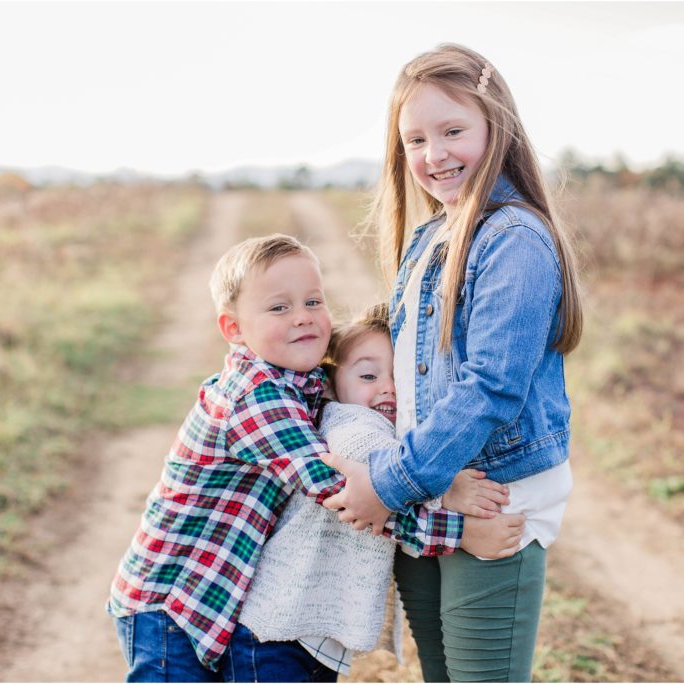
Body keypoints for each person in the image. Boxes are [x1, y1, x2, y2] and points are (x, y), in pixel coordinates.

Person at [106, 234, 507, 682]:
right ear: (234, 329)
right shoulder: (256, 398)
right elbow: (348, 498)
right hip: (172, 600)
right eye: (279, 307)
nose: (302, 318)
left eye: (313, 301)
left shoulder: (305, 381)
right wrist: (457, 531)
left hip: (215, 594)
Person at [321, 43, 585, 682]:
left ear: (498, 126)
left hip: (492, 499)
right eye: (414, 140)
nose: (433, 155)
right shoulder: (432, 236)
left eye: (452, 131)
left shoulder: (513, 240)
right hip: (435, 495)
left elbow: (490, 387)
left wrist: (388, 484)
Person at [239, 303, 521, 677]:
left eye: (400, 378)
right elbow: (372, 465)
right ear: (330, 383)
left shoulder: (384, 430)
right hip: (278, 630)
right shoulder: (347, 424)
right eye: (369, 376)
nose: (388, 387)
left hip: (299, 631)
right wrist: (444, 490)